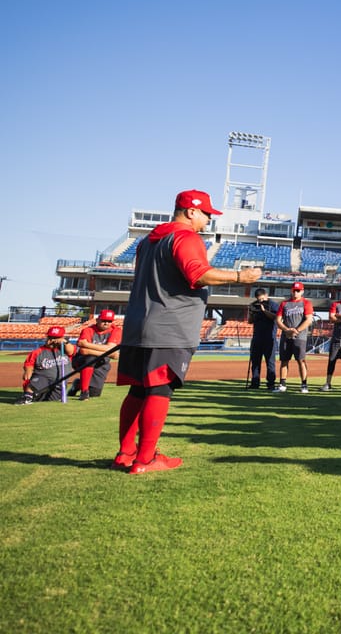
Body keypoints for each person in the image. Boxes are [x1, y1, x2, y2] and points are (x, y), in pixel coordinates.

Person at [115, 189, 261, 473]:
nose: (208, 220)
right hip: (168, 326)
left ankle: (125, 454)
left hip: (137, 325)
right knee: (159, 389)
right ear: (191, 211)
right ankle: (144, 460)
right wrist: (241, 276)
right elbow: (197, 273)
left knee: (137, 391)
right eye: (206, 214)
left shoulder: (147, 241)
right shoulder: (185, 237)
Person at [18, 325, 75, 404]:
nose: (52, 340)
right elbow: (29, 365)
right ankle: (27, 396)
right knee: (41, 379)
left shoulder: (65, 350)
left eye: (55, 338)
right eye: (50, 337)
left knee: (52, 400)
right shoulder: (38, 352)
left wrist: (65, 342)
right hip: (41, 383)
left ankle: (35, 397)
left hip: (58, 385)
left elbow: (71, 351)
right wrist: (28, 371)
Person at [73, 309, 122, 399]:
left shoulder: (116, 330)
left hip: (101, 362)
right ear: (97, 320)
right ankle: (84, 392)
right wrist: (109, 353)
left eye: (109, 321)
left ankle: (77, 384)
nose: (106, 323)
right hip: (81, 360)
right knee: (90, 358)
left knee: (94, 393)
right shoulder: (88, 330)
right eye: (103, 320)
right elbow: (83, 350)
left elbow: (111, 349)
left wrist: (88, 346)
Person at [276, 282, 314, 393]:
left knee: (301, 360)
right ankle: (282, 384)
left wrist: (296, 330)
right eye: (294, 290)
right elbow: (278, 320)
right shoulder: (284, 304)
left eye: (298, 290)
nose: (295, 292)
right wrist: (287, 330)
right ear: (291, 290)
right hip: (286, 336)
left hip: (300, 337)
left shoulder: (306, 303)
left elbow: (308, 320)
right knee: (284, 360)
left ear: (302, 291)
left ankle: (304, 385)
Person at [247, 289, 278, 391]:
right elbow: (250, 321)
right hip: (257, 337)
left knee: (270, 362)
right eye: (258, 299)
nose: (260, 301)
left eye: (262, 299)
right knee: (255, 362)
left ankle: (271, 383)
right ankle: (255, 383)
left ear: (266, 295)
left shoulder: (273, 304)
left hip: (269, 337)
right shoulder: (254, 305)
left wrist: (264, 311)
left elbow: (276, 317)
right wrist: (252, 313)